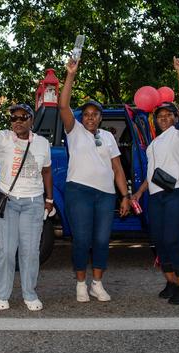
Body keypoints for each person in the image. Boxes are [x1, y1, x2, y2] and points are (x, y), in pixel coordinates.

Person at [0, 104, 53, 311]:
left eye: (23, 117)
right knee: (6, 250)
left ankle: (29, 294)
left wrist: (49, 199)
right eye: (14, 118)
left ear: (32, 120)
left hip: (33, 202)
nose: (18, 121)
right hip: (8, 201)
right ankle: (1, 293)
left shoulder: (41, 143)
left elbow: (47, 171)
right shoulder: (3, 137)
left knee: (31, 251)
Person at [59, 58, 131, 303]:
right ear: (83, 117)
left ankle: (97, 284)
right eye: (87, 114)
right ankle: (81, 284)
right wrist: (71, 75)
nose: (90, 118)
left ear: (100, 117)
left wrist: (125, 196)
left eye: (95, 114)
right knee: (81, 239)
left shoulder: (109, 137)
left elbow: (118, 168)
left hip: (105, 195)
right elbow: (63, 105)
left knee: (101, 239)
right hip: (79, 191)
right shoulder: (74, 130)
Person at [132, 57, 179, 305]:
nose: (164, 118)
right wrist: (139, 193)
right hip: (157, 195)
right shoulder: (155, 142)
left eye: (169, 114)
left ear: (176, 117)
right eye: (159, 115)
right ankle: (171, 282)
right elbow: (153, 173)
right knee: (159, 241)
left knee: (173, 239)